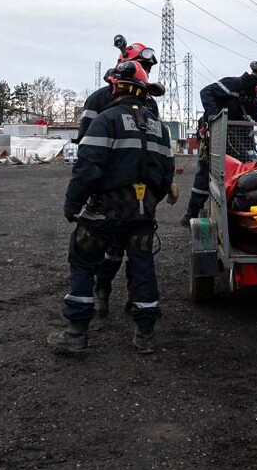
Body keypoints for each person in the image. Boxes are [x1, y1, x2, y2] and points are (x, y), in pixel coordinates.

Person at [49, 61, 175, 357]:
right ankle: (145, 334)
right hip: (143, 213)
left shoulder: (106, 120)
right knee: (142, 265)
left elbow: (88, 166)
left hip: (104, 212)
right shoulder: (161, 129)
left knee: (82, 260)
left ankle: (75, 334)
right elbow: (167, 173)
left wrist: (73, 203)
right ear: (144, 92)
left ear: (116, 87)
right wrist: (149, 201)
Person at [76, 36, 163, 319]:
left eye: (148, 70)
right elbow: (86, 148)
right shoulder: (99, 99)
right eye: (142, 67)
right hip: (106, 191)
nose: (146, 74)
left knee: (137, 250)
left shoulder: (150, 104)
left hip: (140, 193)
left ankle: (134, 300)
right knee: (109, 247)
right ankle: (102, 290)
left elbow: (157, 148)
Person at [181, 61, 257, 226]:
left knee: (241, 171)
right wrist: (213, 116)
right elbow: (206, 92)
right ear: (255, 80)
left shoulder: (251, 97)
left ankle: (234, 215)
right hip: (214, 137)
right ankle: (191, 213)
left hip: (234, 139)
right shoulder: (233, 84)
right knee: (205, 173)